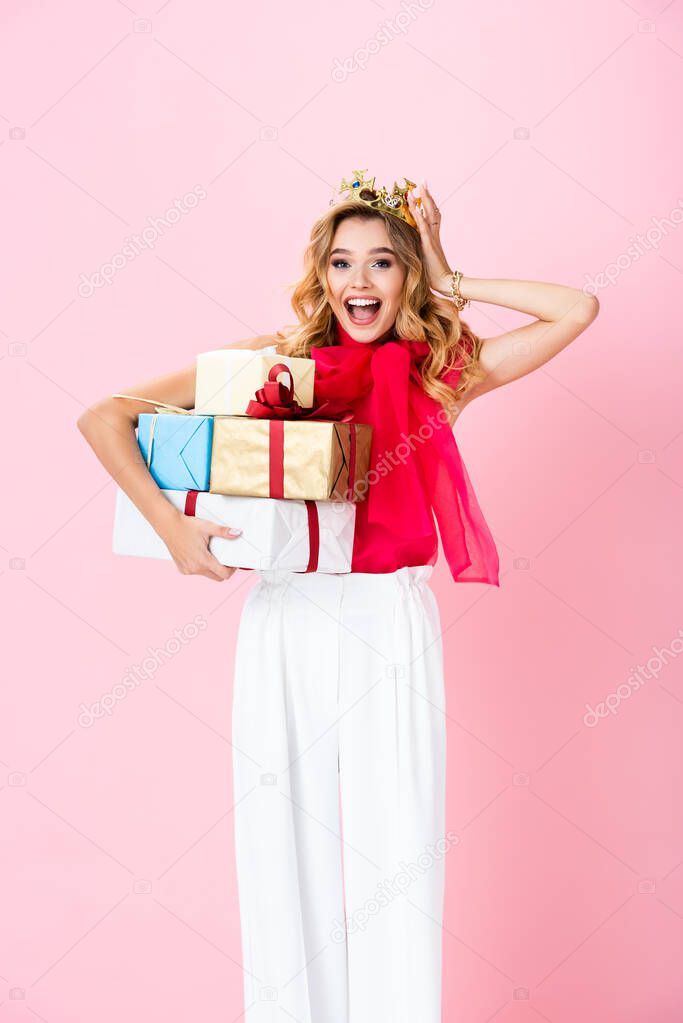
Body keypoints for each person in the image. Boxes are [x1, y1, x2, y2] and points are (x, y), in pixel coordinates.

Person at [77, 171, 599, 1022]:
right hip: (285, 617)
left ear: (407, 278)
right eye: (344, 262)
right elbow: (104, 417)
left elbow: (574, 309)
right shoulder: (269, 364)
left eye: (384, 263)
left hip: (389, 617)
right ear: (321, 275)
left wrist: (448, 277)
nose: (361, 282)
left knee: (397, 846)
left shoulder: (439, 374)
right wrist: (173, 532)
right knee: (282, 839)